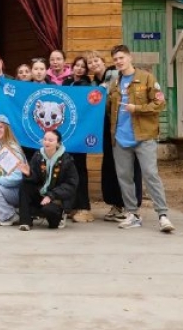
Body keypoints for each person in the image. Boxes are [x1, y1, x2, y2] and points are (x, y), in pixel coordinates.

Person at [107, 45, 174, 232]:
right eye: (115, 59)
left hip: (144, 136)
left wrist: (137, 109)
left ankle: (162, 215)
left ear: (130, 57)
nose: (118, 61)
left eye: (121, 57)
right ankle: (132, 214)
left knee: (151, 174)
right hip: (120, 138)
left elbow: (160, 103)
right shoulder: (114, 83)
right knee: (125, 177)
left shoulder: (146, 78)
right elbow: (107, 108)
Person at [87, 50, 141, 222]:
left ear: (103, 61)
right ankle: (115, 204)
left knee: (129, 167)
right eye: (90, 62)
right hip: (106, 130)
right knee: (110, 166)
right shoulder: (94, 83)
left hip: (123, 128)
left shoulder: (116, 75)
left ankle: (130, 206)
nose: (94, 64)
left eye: (96, 60)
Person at [17, 130, 79, 231]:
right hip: (41, 194)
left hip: (56, 199)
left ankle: (57, 218)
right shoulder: (38, 155)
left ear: (58, 143)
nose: (47, 142)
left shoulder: (66, 159)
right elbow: (35, 179)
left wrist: (51, 195)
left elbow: (71, 184)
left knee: (49, 210)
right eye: (45, 139)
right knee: (24, 185)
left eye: (51, 140)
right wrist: (29, 174)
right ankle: (25, 222)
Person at [62, 55, 93, 222]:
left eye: (83, 66)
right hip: (67, 133)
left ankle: (84, 206)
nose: (79, 68)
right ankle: (71, 206)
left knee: (80, 169)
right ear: (72, 67)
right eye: (77, 65)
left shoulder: (88, 85)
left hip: (80, 133)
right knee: (68, 169)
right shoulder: (66, 82)